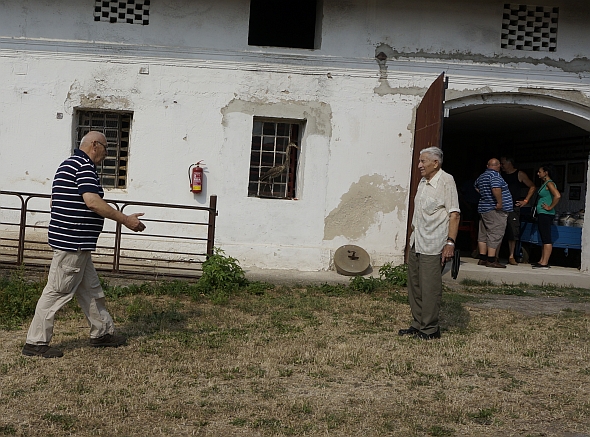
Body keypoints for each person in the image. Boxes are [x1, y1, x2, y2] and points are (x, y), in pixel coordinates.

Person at [22, 131, 146, 358]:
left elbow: (55, 200)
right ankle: (35, 342)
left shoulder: (67, 165)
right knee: (57, 292)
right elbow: (92, 202)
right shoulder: (84, 167)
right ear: (95, 145)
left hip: (76, 243)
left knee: (90, 290)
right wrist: (126, 219)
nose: (107, 155)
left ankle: (102, 333)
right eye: (107, 149)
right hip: (73, 243)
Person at [399, 147, 460, 340]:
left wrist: (450, 243)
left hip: (434, 243)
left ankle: (430, 329)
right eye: (419, 161)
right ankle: (418, 324)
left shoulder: (446, 181)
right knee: (415, 285)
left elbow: (454, 214)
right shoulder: (423, 182)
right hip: (417, 241)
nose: (419, 165)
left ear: (436, 163)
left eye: (423, 161)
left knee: (430, 287)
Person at [474, 158, 513, 268]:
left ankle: (482, 258)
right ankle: (491, 260)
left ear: (488, 165)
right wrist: (499, 202)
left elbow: (476, 186)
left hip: (483, 208)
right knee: (495, 233)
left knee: (483, 233)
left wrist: (485, 195)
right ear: (498, 166)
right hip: (494, 210)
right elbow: (496, 188)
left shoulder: (482, 176)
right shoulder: (495, 176)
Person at [500, 156, 536, 265]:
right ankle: (494, 255)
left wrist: (525, 200)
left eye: (503, 163)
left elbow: (532, 186)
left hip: (513, 206)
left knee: (513, 231)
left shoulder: (519, 174)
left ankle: (511, 256)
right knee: (498, 230)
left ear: (509, 162)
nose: (501, 166)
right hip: (500, 206)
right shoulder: (500, 175)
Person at [532, 164, 561, 269]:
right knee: (543, 237)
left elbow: (557, 195)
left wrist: (550, 207)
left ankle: (545, 262)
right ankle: (541, 260)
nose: (538, 173)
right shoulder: (545, 184)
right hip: (542, 213)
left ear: (546, 172)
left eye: (540, 172)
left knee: (546, 237)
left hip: (546, 214)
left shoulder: (549, 183)